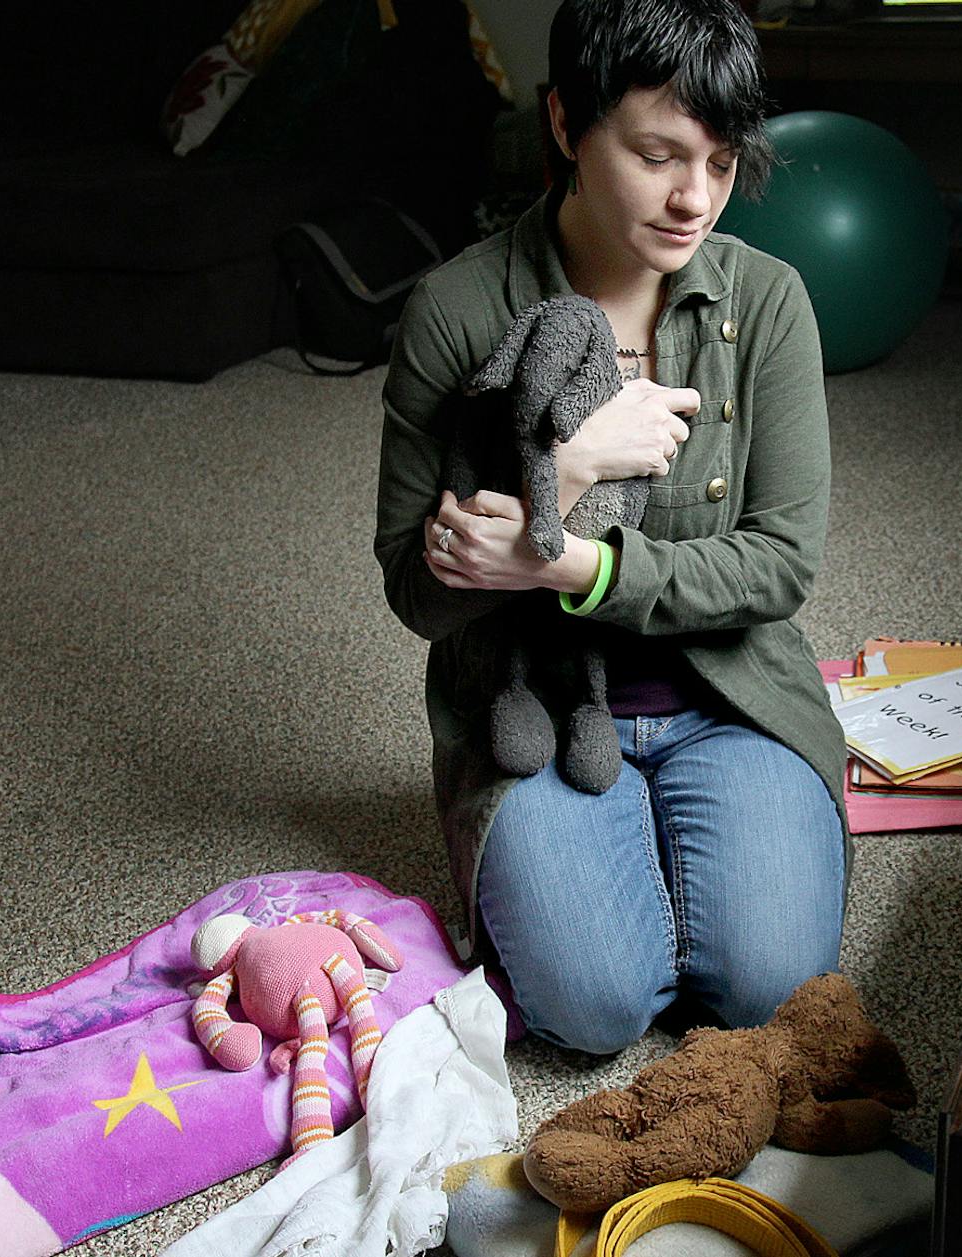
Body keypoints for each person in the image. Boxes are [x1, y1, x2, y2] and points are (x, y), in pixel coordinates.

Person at [372, 0, 847, 1055]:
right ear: (563, 124)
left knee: (768, 992)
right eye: (656, 155)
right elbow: (418, 588)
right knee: (592, 1010)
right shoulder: (457, 308)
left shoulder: (766, 303)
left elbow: (778, 566)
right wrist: (573, 464)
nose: (695, 199)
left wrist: (567, 558)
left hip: (732, 694)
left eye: (721, 163)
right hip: (529, 708)